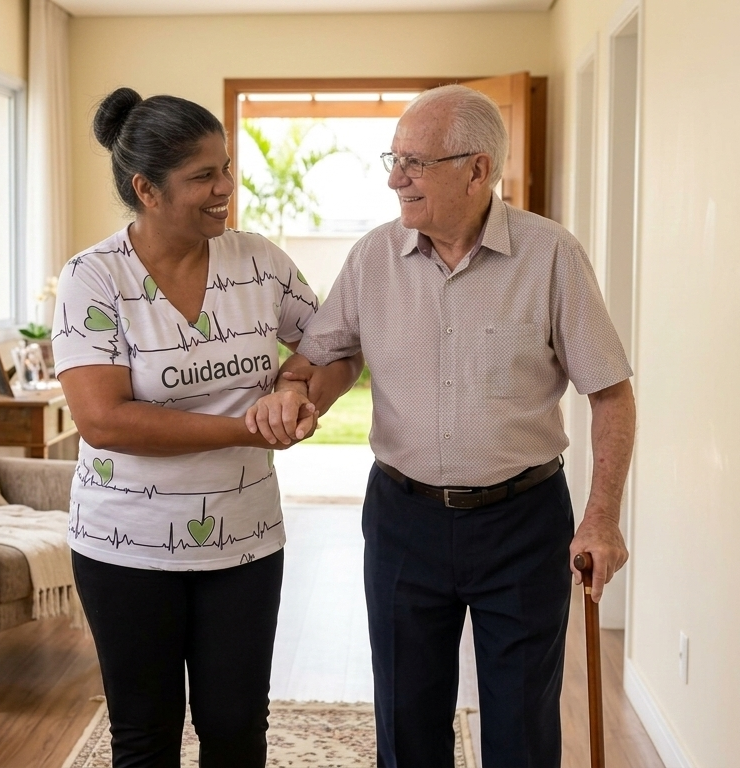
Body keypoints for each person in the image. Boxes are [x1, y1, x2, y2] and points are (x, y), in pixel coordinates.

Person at [248, 84, 636, 767]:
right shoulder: (373, 257)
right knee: (407, 720)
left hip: (522, 521)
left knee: (521, 729)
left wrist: (601, 516)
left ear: (477, 169)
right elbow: (319, 355)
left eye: (415, 163)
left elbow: (610, 394)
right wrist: (291, 390)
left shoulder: (552, 257)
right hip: (404, 520)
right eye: (391, 159)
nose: (395, 179)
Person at [52, 87, 351, 768]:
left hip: (244, 543)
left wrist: (299, 394)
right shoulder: (94, 278)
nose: (224, 189)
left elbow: (335, 345)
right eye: (202, 177)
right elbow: (104, 421)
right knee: (145, 734)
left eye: (225, 168)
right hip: (125, 547)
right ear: (146, 190)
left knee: (236, 728)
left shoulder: (258, 261)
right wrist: (250, 429)